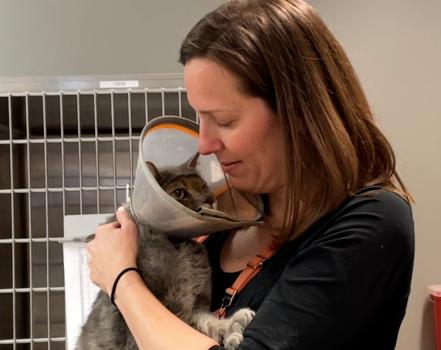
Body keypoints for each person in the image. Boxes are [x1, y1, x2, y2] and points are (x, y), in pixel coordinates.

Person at [87, 0, 415, 349]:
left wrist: (122, 279)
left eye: (225, 120)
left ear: (297, 112)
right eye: (200, 117)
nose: (205, 143)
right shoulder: (221, 222)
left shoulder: (371, 222)